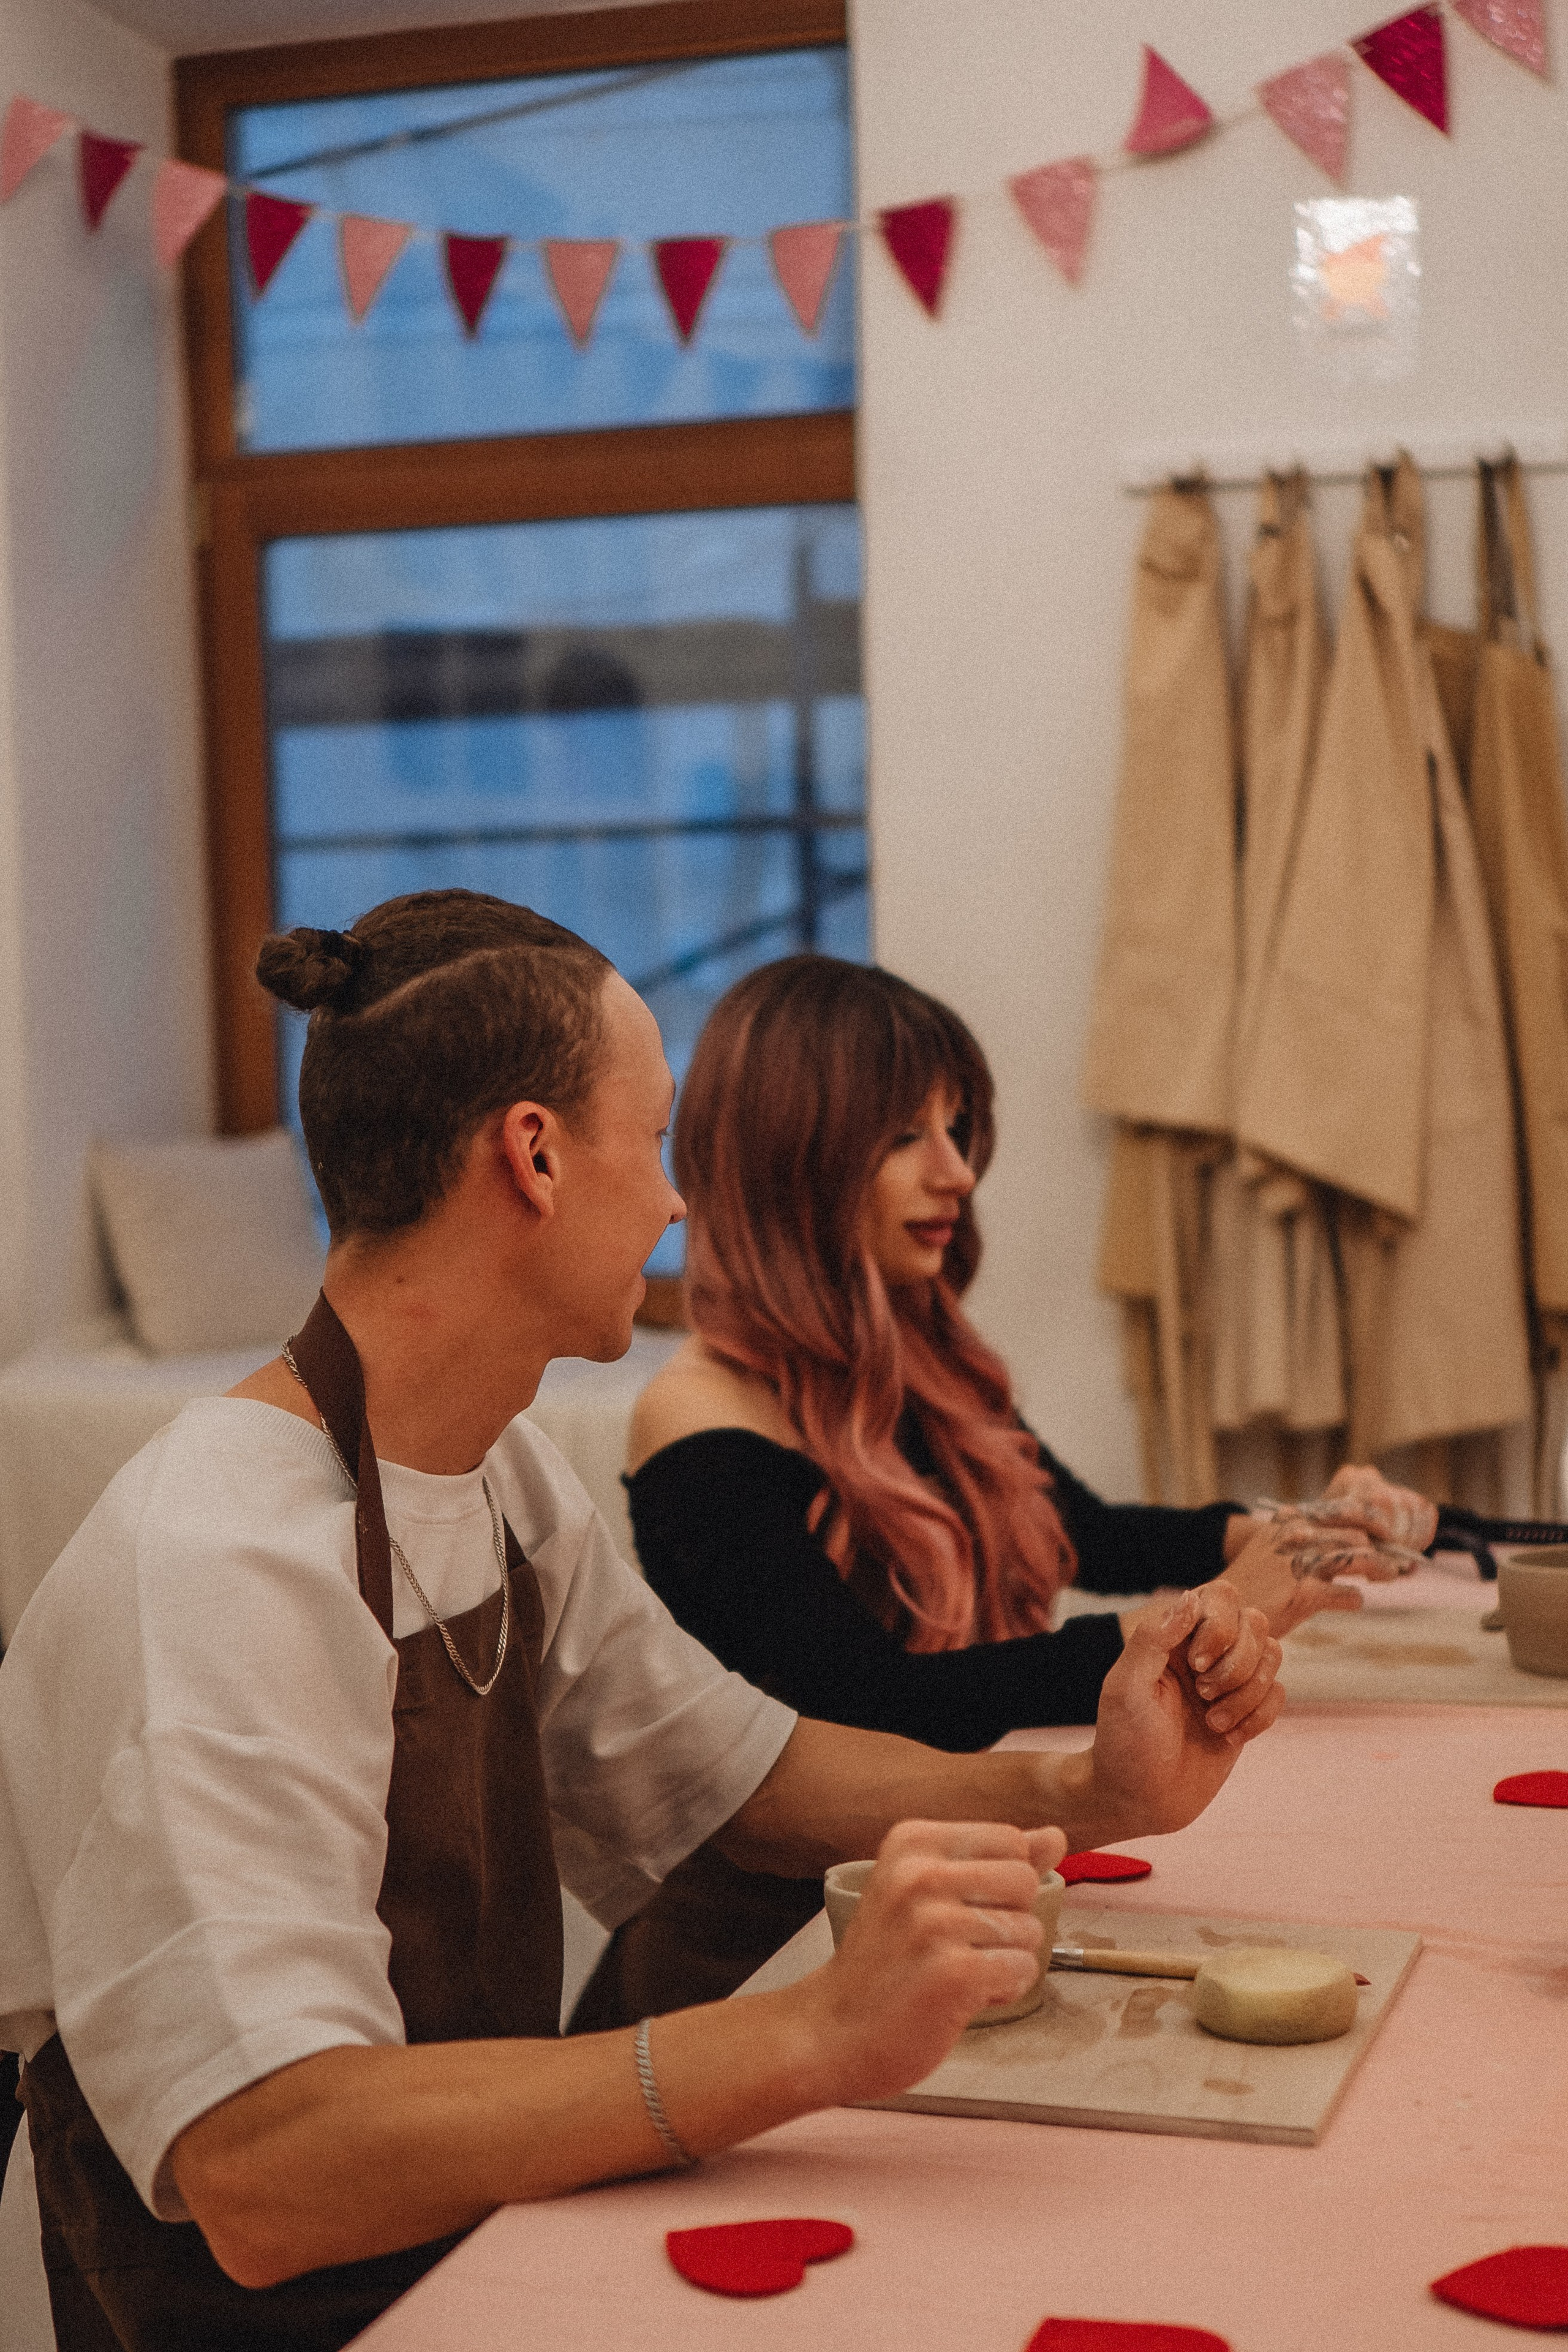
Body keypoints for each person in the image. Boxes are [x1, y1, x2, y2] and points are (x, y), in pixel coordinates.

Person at [0, 892, 1283, 2352]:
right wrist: (803, 2036)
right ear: (534, 1156)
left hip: (476, 2244)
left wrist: (1085, 1789)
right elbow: (268, 2167)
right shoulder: (212, 1563)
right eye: (655, 1140)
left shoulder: (499, 1476)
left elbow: (736, 1770)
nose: (678, 1204)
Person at [571, 955, 1435, 2030]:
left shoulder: (918, 1355)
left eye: (958, 1127)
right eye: (904, 1138)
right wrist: (1181, 1635)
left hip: (944, 1903)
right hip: (757, 1963)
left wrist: (1295, 1531)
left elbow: (1084, 1533)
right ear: (792, 1161)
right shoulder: (698, 1415)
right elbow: (863, 1704)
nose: (957, 1173)